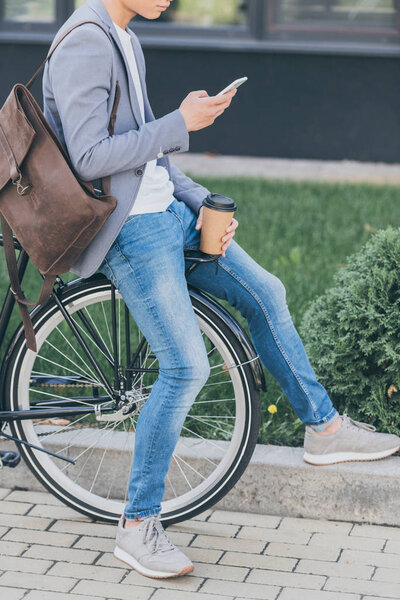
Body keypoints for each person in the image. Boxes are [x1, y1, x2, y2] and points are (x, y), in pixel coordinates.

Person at [43, 0, 400, 580]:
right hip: (130, 232)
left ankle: (324, 429)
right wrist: (180, 122)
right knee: (187, 367)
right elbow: (88, 159)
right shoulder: (87, 41)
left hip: (165, 214)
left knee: (266, 290)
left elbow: (147, 154)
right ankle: (138, 527)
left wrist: (199, 198)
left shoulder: (123, 35)